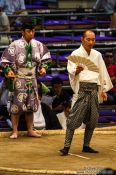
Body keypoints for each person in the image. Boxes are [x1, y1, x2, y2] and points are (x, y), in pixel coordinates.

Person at [60, 30, 113, 156]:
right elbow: (71, 70)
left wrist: (103, 90)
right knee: (73, 119)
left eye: (93, 39)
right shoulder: (76, 54)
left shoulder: (97, 55)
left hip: (94, 89)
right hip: (82, 90)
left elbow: (102, 73)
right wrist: (76, 71)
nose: (91, 42)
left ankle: (86, 145)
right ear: (82, 39)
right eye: (88, 39)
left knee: (93, 120)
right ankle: (66, 147)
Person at [0, 18, 51, 139]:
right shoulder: (15, 45)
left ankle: (30, 130)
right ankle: (15, 131)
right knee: (16, 106)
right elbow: (4, 61)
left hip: (32, 78)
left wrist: (43, 68)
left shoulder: (38, 45)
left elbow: (46, 59)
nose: (31, 33)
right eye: (28, 31)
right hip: (19, 78)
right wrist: (9, 71)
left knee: (30, 106)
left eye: (33, 31)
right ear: (23, 32)